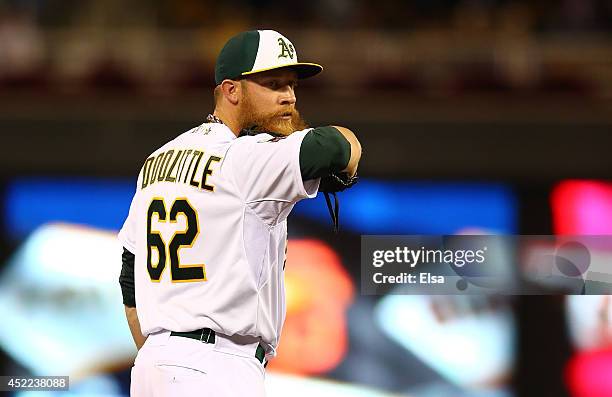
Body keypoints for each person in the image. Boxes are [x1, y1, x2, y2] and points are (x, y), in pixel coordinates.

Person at [118, 29, 362, 396]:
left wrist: (165, 355)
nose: (289, 98)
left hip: (155, 364)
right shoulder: (248, 157)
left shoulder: (157, 160)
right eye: (274, 84)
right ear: (231, 90)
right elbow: (338, 146)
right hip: (220, 365)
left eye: (293, 86)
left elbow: (129, 276)